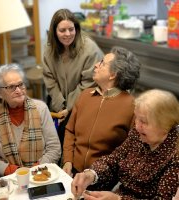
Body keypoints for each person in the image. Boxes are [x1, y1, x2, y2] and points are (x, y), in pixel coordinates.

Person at [71, 89, 179, 200]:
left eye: (144, 121)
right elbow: (113, 161)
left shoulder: (175, 155)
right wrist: (91, 175)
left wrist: (119, 199)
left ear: (165, 125)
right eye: (136, 117)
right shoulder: (137, 135)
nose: (137, 125)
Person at [63, 46, 141, 176]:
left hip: (104, 178)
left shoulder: (132, 106)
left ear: (113, 74)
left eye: (102, 63)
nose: (96, 65)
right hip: (73, 172)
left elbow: (133, 150)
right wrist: (67, 161)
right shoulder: (85, 95)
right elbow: (70, 130)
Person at [0, 63, 61, 177]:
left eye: (21, 84)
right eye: (11, 87)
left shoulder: (41, 108)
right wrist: (18, 173)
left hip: (42, 175)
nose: (19, 90)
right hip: (11, 181)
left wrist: (34, 170)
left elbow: (54, 148)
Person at [42, 9, 103, 146]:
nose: (68, 34)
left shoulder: (89, 49)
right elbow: (50, 80)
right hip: (60, 105)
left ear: (76, 28)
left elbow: (87, 84)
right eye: (62, 30)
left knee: (71, 139)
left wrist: (68, 108)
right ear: (54, 31)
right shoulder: (49, 49)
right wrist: (60, 107)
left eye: (71, 29)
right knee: (52, 139)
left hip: (85, 102)